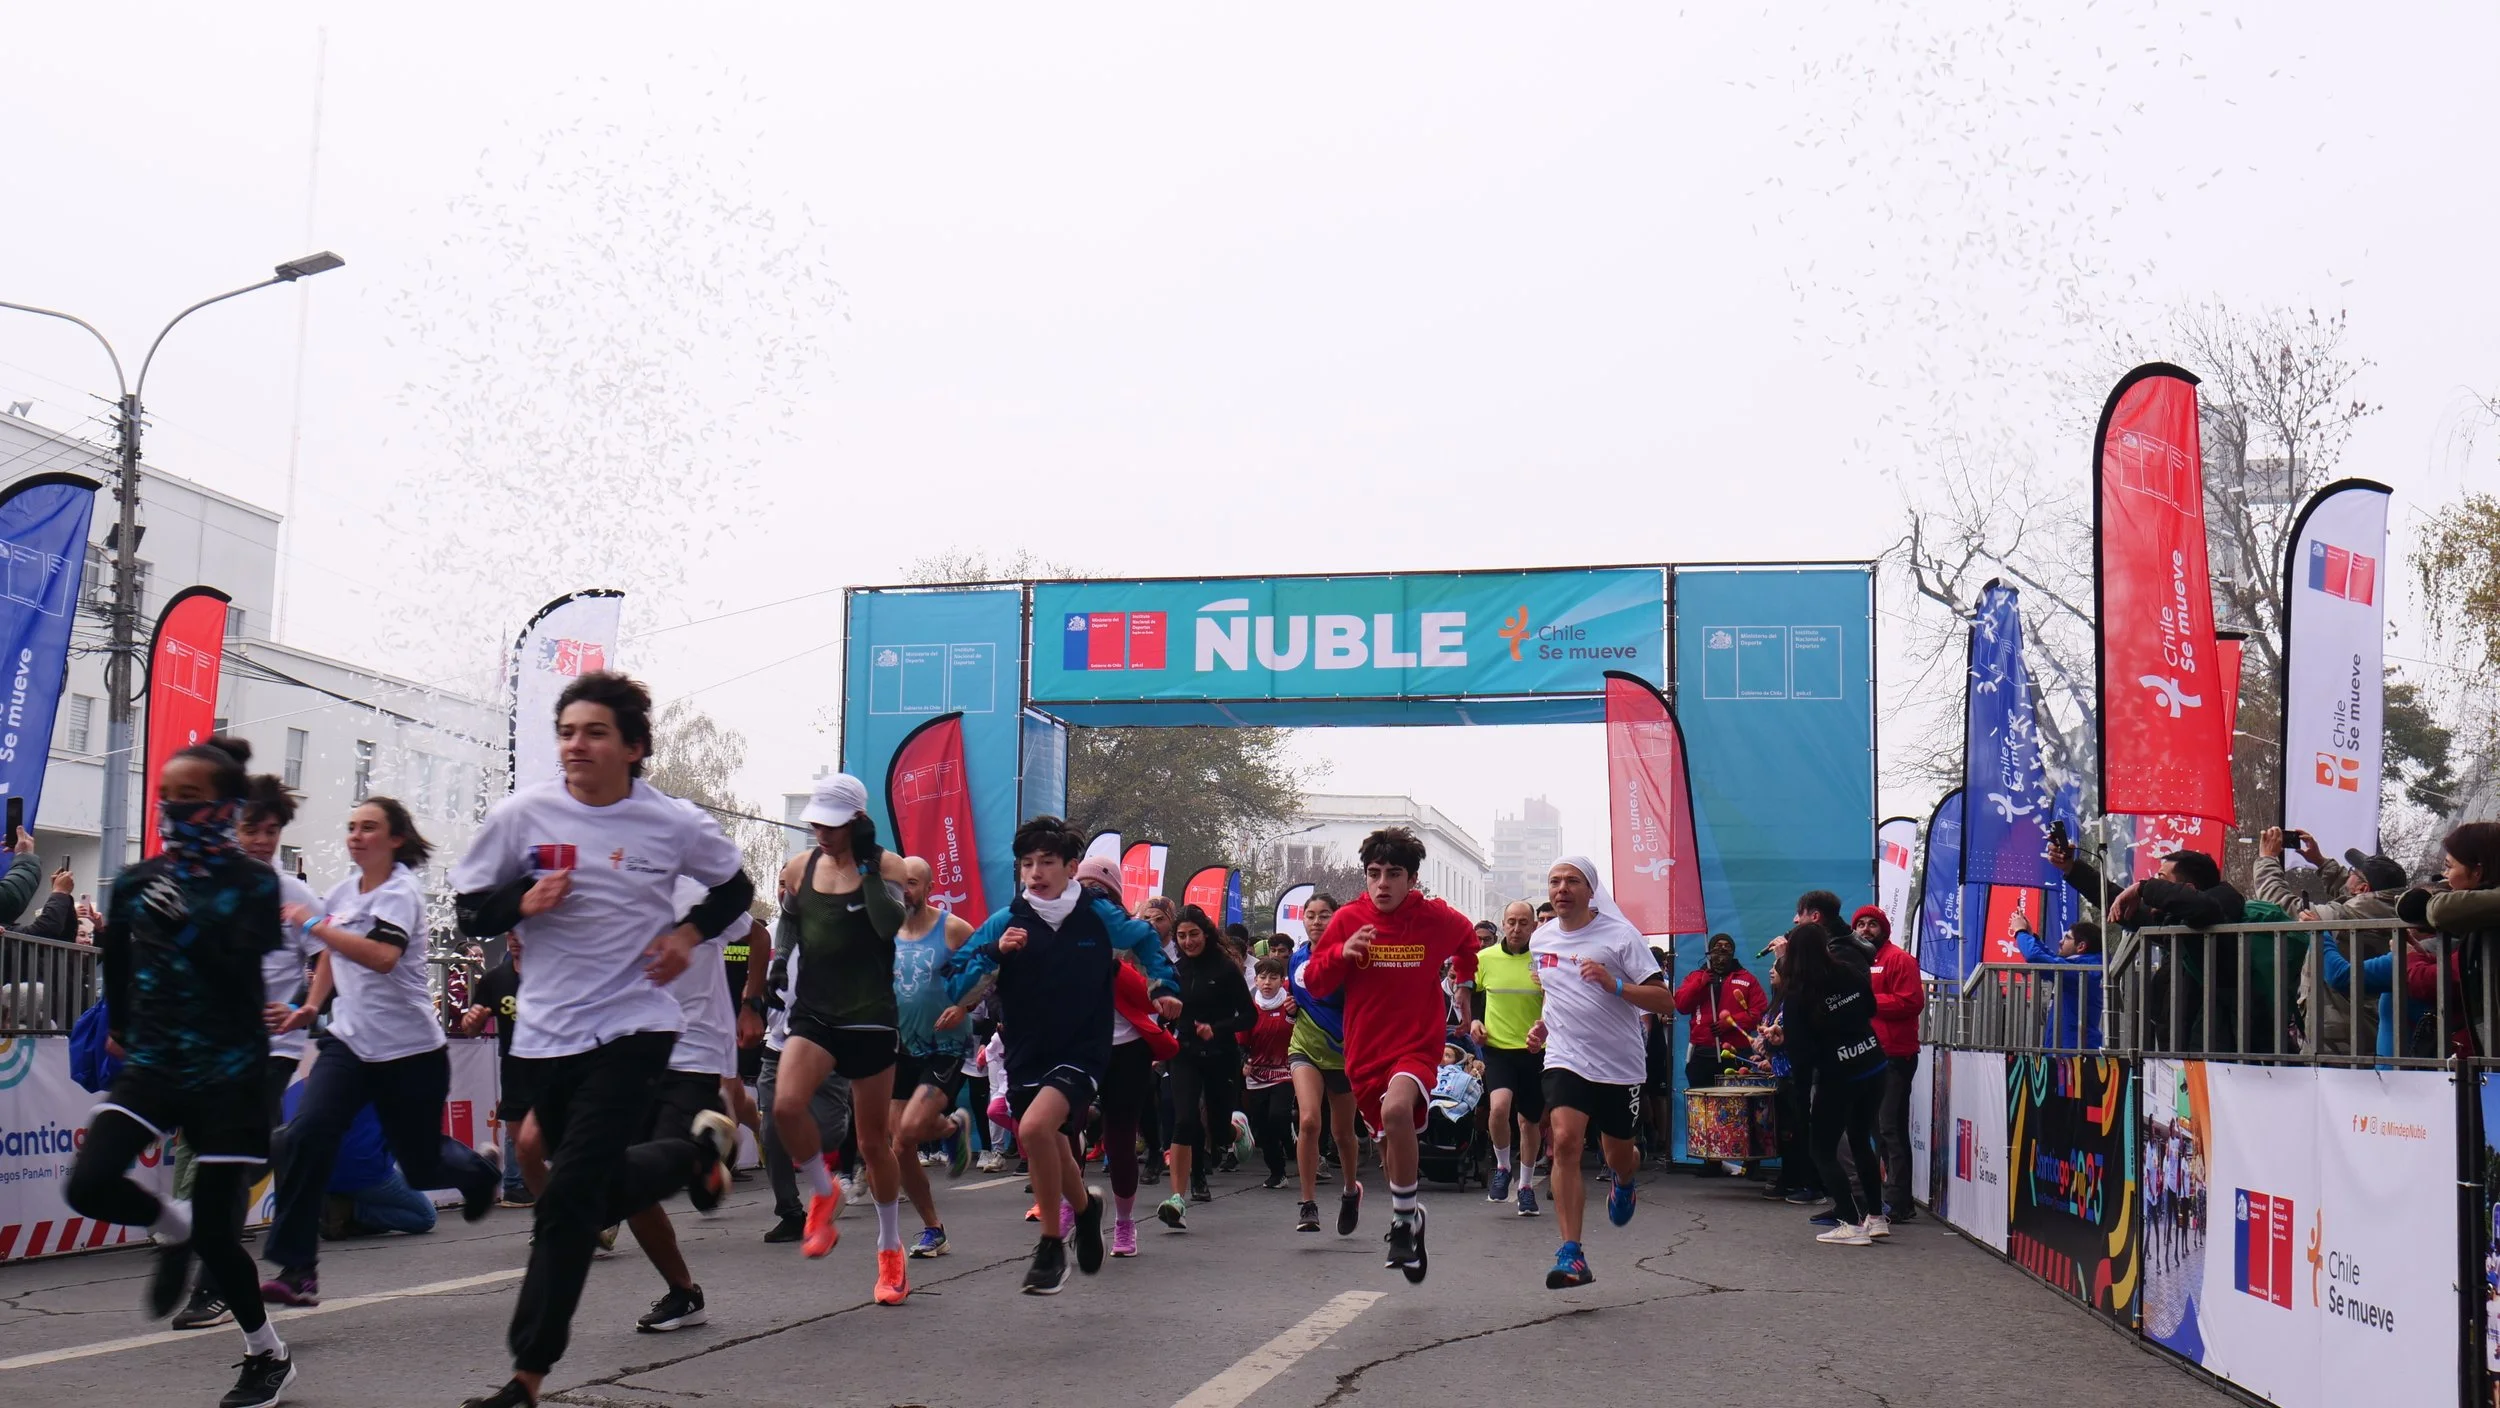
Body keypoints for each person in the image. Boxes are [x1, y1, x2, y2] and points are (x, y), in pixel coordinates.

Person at [449, 672, 751, 1408]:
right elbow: (468, 912)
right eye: (567, 732)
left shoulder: (673, 823)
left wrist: (687, 934)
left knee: (569, 1198)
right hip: (546, 1036)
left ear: (634, 747)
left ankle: (527, 1378)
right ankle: (696, 1153)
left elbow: (735, 891)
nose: (576, 745)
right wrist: (522, 900)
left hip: (635, 1027)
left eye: (594, 733)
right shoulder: (524, 816)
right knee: (584, 1186)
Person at [67, 736, 299, 1407]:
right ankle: (173, 1226)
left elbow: (240, 979)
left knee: (223, 1240)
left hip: (230, 1074)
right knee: (88, 1183)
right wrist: (122, 1032)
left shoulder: (255, 885)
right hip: (158, 1063)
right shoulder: (141, 881)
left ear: (225, 809)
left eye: (190, 801)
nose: (173, 812)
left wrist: (189, 928)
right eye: (166, 799)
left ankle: (267, 1355)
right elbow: (115, 957)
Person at [261, 797, 503, 1308]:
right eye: (350, 827)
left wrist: (313, 926)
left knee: (418, 1168)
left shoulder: (400, 892)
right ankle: (298, 1269)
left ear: (395, 839)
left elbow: (382, 956)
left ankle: (479, 1175)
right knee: (303, 1136)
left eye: (368, 827)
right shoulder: (344, 892)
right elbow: (330, 952)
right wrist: (310, 1006)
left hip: (410, 1052)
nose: (355, 835)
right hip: (348, 1043)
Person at [946, 816, 1180, 1294]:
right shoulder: (1007, 919)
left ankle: (1052, 1246)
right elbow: (957, 976)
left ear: (1070, 867)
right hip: (1026, 1049)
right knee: (1049, 1143)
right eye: (1027, 864)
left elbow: (1143, 940)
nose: (1035, 872)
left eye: (1046, 862)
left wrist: (1163, 986)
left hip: (1083, 1046)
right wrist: (995, 951)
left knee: (1034, 1129)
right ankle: (1088, 1207)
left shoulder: (1096, 913)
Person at [170, 770, 330, 1332]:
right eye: (251, 827)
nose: (261, 839)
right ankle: (287, 1150)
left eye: (270, 830)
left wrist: (306, 1005)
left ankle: (211, 1289)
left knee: (231, 1159)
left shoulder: (293, 893)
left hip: (275, 1043)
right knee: (231, 1151)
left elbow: (326, 950)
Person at [757, 771, 913, 1308]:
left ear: (857, 822)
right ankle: (824, 1194)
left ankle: (891, 1250)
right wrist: (779, 962)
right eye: (816, 823)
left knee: (873, 1143)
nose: (821, 832)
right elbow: (791, 921)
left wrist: (869, 867)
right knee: (784, 1107)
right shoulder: (800, 866)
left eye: (832, 824)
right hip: (817, 1013)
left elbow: (888, 925)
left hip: (870, 1017)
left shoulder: (889, 866)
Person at [1301, 827, 1481, 1282]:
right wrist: (1342, 952)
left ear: (1412, 879)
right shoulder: (1347, 920)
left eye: (1393, 874)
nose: (1382, 883)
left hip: (1417, 1045)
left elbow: (1467, 943)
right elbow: (1317, 983)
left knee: (1398, 1111)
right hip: (1364, 1052)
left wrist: (1462, 984)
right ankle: (1413, 1219)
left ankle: (1401, 1221)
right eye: (1374, 873)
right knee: (1386, 1146)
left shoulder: (1436, 918)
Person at [612, 878, 751, 1334]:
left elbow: (758, 934)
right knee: (628, 1181)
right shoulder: (613, 891)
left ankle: (702, 1156)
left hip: (694, 1047)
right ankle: (684, 1293)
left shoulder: (697, 892)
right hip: (633, 1050)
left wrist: (753, 1002)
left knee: (659, 1159)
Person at [1526, 857, 1672, 1289]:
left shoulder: (1620, 936)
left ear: (1591, 891)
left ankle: (1625, 1179)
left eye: (1572, 881)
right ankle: (1571, 1254)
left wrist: (1616, 985)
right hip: (1566, 1057)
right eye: (1554, 881)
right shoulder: (1541, 939)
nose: (1562, 888)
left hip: (1619, 1064)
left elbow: (1665, 1002)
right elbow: (1557, 997)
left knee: (1617, 1155)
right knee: (1566, 1142)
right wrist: (1543, 1027)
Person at [1072, 855, 1175, 1256]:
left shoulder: (1131, 935)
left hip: (1127, 1047)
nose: (1089, 896)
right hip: (1079, 1045)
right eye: (1083, 888)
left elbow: (1153, 986)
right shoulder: (1064, 925)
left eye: (1099, 890)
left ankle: (1125, 1224)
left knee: (1119, 1137)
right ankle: (1071, 1206)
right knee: (1065, 1129)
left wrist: (1159, 987)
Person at [1772, 923, 1890, 1246]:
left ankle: (1850, 1223)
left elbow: (1801, 1057)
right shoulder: (1850, 971)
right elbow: (1870, 1008)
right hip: (1874, 1064)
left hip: (1839, 1076)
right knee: (1860, 1138)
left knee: (1820, 1149)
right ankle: (1876, 1217)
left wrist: (1801, 1108)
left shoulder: (1797, 993)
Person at [890, 856, 983, 1261]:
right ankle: (933, 1228)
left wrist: (964, 1006)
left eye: (912, 883)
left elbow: (989, 971)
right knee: (900, 1145)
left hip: (944, 1047)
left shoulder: (953, 929)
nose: (904, 891)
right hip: (898, 1046)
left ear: (929, 888)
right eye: (899, 884)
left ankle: (943, 1129)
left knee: (909, 1130)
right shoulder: (885, 930)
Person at [738, 922, 853, 1245]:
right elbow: (755, 979)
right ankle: (790, 1212)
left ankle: (829, 1170)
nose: (786, 891)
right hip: (778, 1045)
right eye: (782, 885)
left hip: (827, 1043)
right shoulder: (770, 934)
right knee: (771, 1130)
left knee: (828, 1134)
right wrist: (751, 1006)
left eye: (794, 884)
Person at [2253, 827, 2398, 1055]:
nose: (2348, 873)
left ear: (2363, 887)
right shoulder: (2393, 911)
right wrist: (2321, 862)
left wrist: (2267, 860)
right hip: (2370, 1030)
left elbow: (2280, 905)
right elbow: (2357, 896)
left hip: (2335, 1040)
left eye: (2353, 871)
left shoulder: (2344, 916)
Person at [1158, 903, 1257, 1227]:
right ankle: (1177, 1198)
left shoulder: (1226, 969)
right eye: (1182, 936)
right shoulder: (1174, 970)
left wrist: (1218, 1028)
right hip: (1184, 1052)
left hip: (1220, 1055)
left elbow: (1249, 1015)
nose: (1188, 942)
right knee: (1184, 1119)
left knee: (1217, 1130)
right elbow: (1165, 1009)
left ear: (1206, 933)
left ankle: (1235, 1128)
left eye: (1194, 935)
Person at [1286, 892, 1363, 1235]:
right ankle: (1308, 1203)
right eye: (1311, 915)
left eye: (1325, 915)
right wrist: (1292, 1007)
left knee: (1343, 1133)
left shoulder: (1352, 959)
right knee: (1308, 1120)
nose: (1317, 921)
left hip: (1344, 1052)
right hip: (1304, 1046)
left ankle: (1350, 1190)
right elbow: (1299, 998)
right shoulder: (1296, 958)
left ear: (1337, 919)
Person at [1469, 899, 1546, 1214]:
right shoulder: (1484, 958)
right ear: (1503, 923)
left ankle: (1526, 1185)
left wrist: (1544, 1027)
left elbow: (1560, 1002)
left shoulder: (1544, 960)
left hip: (1533, 1051)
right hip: (1498, 1048)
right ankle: (1503, 1167)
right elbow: (1470, 994)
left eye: (1523, 923)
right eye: (1511, 921)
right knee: (1498, 1109)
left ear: (1533, 926)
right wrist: (1474, 1021)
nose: (1516, 928)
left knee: (1529, 1121)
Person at [1853, 907, 1924, 1222]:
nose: (1866, 929)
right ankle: (1891, 1197)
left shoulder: (1899, 959)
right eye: (1861, 924)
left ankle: (1897, 1202)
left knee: (1890, 1127)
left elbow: (1911, 1002)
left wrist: (1866, 1001)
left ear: (1883, 929)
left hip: (1894, 1054)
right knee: (1876, 1129)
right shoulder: (1857, 964)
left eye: (1872, 924)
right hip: (1865, 1055)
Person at [461, 940, 535, 1207]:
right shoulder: (496, 978)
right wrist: (473, 1020)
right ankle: (516, 1186)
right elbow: (470, 1027)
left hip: (557, 1064)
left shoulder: (555, 972)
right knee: (520, 1135)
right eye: (510, 933)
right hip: (515, 1066)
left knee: (561, 1139)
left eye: (521, 932)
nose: (516, 939)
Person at [1241, 957, 1298, 1189]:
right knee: (1263, 1129)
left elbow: (1300, 1032)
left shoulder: (1291, 1005)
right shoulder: (1250, 1008)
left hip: (1286, 1071)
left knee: (1278, 1116)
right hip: (1257, 1075)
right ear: (1256, 980)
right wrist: (1244, 1061)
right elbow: (1242, 1042)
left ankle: (1292, 1138)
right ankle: (1277, 1172)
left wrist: (1294, 1015)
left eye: (1273, 977)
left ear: (1281, 981)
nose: (1267, 982)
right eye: (1263, 977)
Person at [2012, 913, 2105, 1049]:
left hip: (2070, 1053)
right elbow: (2053, 959)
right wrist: (2031, 936)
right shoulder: (2087, 967)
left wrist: (2020, 932)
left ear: (2081, 946)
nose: (2060, 942)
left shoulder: (2081, 971)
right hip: (2070, 1050)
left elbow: (2035, 957)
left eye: (2067, 938)